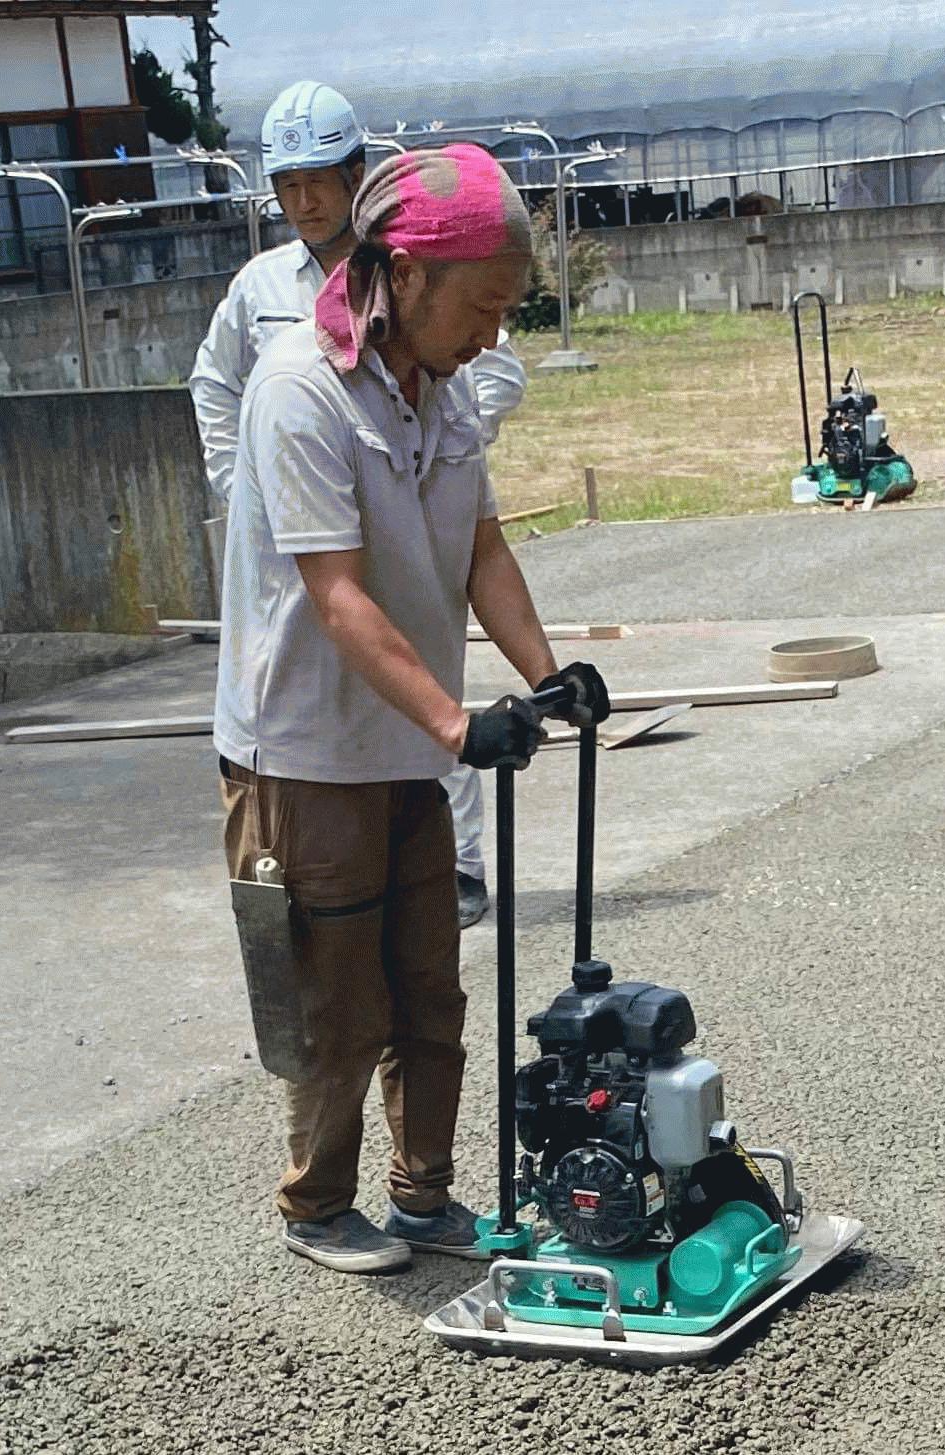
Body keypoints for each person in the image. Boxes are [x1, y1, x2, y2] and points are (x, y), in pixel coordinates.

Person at [214, 145, 610, 1275]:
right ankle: (316, 1209)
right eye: (482, 305)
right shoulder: (300, 389)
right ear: (408, 272)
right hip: (303, 751)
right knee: (339, 1000)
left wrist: (546, 675)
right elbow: (335, 591)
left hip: (403, 742)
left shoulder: (445, 393)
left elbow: (482, 548)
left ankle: (422, 1197)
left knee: (430, 987)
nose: (492, 333)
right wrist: (455, 725)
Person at [188, 80, 366, 547]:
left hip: (388, 517)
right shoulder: (259, 284)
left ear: (357, 176)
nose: (304, 203)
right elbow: (214, 381)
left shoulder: (403, 270)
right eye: (289, 187)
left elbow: (491, 372)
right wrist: (238, 484)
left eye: (318, 183)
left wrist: (436, 468)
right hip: (290, 522)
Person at [444, 337, 528, 931]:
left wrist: (550, 679)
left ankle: (460, 864)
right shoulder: (261, 292)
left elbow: (487, 554)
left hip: (421, 567)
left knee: (431, 717)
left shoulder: (450, 416)